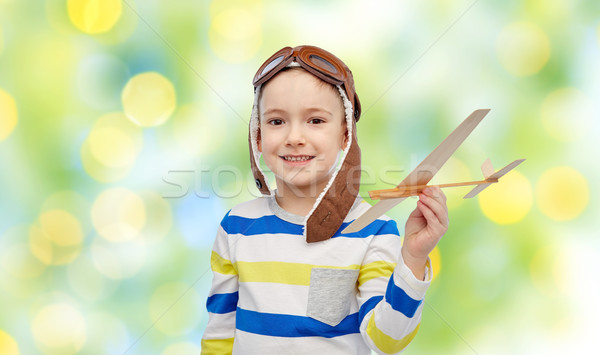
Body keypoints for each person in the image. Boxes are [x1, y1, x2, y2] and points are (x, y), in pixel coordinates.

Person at [201, 45, 449, 354]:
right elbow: (219, 331)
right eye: (277, 121)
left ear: (345, 134)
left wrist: (413, 259)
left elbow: (387, 341)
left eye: (315, 121)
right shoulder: (236, 226)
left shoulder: (373, 230)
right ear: (258, 135)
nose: (294, 137)